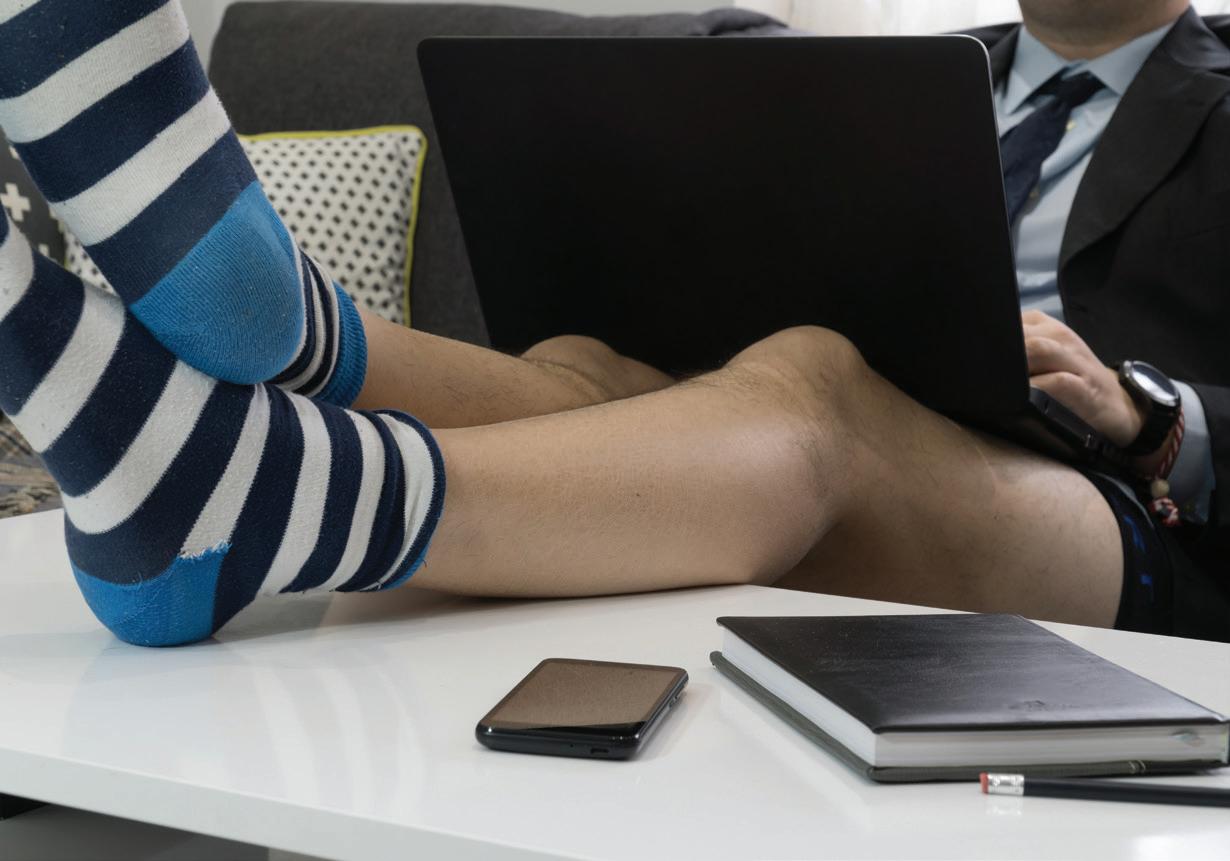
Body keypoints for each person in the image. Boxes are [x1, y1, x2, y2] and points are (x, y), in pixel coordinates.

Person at [0, 0, 1224, 647]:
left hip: (1119, 520)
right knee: (588, 365)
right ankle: (281, 330)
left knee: (815, 381)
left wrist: (1155, 417)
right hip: (886, 426)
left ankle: (255, 494)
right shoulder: (918, 71)